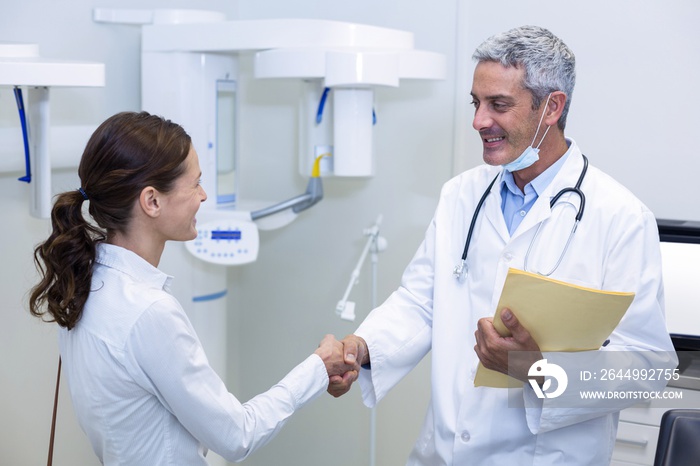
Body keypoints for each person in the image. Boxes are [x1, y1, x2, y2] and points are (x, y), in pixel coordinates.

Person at [328, 25, 676, 465]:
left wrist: (536, 371)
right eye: (476, 103)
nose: (478, 121)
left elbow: (647, 369)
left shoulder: (620, 217)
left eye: (499, 105)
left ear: (552, 107)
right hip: (445, 452)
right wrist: (361, 348)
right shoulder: (461, 195)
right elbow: (420, 303)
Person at [28, 111, 358, 465]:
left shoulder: (82, 283)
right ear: (152, 201)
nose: (203, 195)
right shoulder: (149, 313)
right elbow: (237, 436)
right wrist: (318, 367)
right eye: (195, 183)